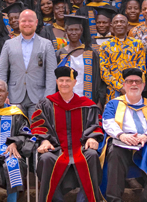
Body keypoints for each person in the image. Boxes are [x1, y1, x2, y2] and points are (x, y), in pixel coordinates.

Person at [31, 66, 105, 202]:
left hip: (81, 149)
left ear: (75, 83)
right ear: (56, 82)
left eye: (68, 80)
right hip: (56, 150)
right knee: (46, 159)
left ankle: (84, 200)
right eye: (61, 80)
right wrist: (44, 141)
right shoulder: (46, 104)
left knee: (92, 156)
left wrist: (93, 137)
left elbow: (96, 125)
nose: (64, 84)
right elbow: (38, 125)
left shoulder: (86, 105)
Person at [101, 67, 147, 202]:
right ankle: (114, 199)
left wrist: (146, 136)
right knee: (114, 151)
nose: (134, 84)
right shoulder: (113, 104)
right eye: (130, 81)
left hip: (146, 142)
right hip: (122, 141)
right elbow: (107, 122)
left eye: (137, 81)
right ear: (124, 85)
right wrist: (121, 135)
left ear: (143, 86)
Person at [0, 9, 57, 116]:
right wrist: (3, 94)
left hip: (39, 97)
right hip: (14, 97)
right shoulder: (8, 44)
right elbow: (2, 71)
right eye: (23, 21)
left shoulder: (46, 44)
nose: (27, 24)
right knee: (15, 130)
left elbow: (51, 73)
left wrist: (48, 98)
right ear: (19, 22)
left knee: (37, 130)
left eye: (30, 21)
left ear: (36, 22)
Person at [56, 15, 106, 104]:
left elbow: (99, 79)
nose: (74, 33)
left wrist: (99, 102)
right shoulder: (60, 54)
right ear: (66, 32)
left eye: (77, 29)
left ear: (81, 31)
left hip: (89, 101)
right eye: (70, 30)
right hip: (66, 102)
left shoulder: (91, 53)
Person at [99, 13, 146, 104]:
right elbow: (103, 71)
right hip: (113, 92)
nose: (119, 24)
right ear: (112, 27)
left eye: (122, 22)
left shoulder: (137, 44)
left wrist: (130, 85)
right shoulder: (105, 46)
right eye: (116, 22)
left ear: (128, 26)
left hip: (133, 89)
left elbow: (141, 68)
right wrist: (120, 87)